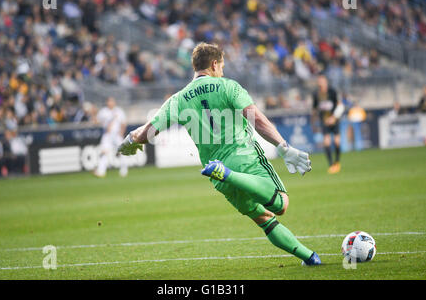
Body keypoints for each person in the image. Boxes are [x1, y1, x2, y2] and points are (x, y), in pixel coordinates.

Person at [117, 43, 321, 266]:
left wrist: (131, 140)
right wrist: (283, 146)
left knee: (263, 219)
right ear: (214, 64)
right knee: (280, 204)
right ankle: (229, 173)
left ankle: (309, 257)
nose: (222, 70)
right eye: (221, 66)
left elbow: (148, 131)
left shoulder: (178, 99)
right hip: (243, 158)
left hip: (214, 171)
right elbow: (258, 120)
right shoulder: (228, 87)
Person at [311, 75, 344, 174]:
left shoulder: (332, 92)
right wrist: (313, 122)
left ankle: (337, 162)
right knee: (326, 142)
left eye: (322, 81)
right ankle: (331, 165)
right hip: (324, 121)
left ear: (325, 82)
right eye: (319, 81)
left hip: (334, 119)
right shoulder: (316, 94)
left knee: (337, 141)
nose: (320, 83)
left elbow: (339, 105)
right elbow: (314, 109)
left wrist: (334, 117)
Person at [94, 97, 129, 178]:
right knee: (104, 152)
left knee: (122, 151)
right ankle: (101, 171)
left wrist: (121, 133)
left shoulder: (119, 111)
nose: (110, 103)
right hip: (107, 135)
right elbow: (96, 121)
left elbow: (123, 123)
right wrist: (94, 114)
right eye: (109, 102)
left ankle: (124, 170)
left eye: (111, 101)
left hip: (117, 134)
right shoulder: (103, 111)